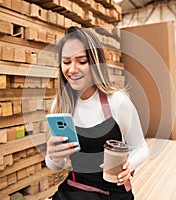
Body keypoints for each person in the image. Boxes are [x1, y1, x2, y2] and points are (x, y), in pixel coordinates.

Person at [45, 26, 149, 200]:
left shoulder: (117, 102)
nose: (72, 69)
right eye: (66, 61)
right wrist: (52, 155)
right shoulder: (61, 104)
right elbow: (56, 165)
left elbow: (140, 148)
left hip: (112, 194)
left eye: (82, 61)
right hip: (74, 189)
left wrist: (129, 165)